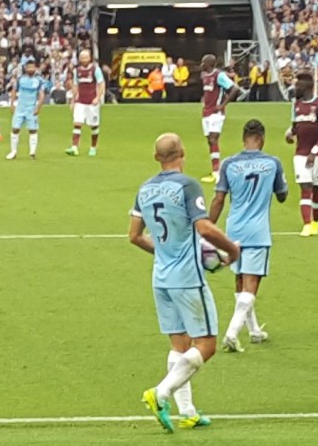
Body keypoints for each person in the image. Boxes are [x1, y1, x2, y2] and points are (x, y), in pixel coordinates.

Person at [129, 133, 241, 433]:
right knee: (206, 344)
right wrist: (232, 249)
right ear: (183, 153)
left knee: (179, 345)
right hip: (187, 278)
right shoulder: (187, 185)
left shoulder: (145, 189)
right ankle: (161, 393)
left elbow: (134, 236)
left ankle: (187, 412)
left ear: (156, 158)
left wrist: (164, 251)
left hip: (161, 278)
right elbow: (204, 227)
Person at [209, 120, 288, 353]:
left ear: (244, 139)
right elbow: (282, 195)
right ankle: (232, 333)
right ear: (262, 138)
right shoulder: (273, 163)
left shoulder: (229, 164)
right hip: (257, 231)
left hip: (233, 230)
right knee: (251, 286)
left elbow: (219, 199)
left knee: (240, 281)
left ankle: (253, 330)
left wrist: (207, 228)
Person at [285, 72, 318, 237]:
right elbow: (295, 126)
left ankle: (316, 223)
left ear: (307, 87)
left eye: (298, 85)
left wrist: (314, 151)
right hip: (300, 154)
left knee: (317, 189)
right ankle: (307, 224)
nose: (295, 88)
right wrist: (290, 134)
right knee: (305, 187)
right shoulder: (296, 105)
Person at [200, 54, 241, 183]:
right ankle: (215, 168)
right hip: (206, 112)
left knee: (213, 139)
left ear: (209, 64)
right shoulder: (205, 76)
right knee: (210, 141)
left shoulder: (219, 75)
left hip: (216, 113)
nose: (201, 64)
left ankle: (217, 171)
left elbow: (234, 89)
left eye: (203, 62)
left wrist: (223, 105)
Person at [66, 49, 105, 157]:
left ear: (90, 58)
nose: (83, 60)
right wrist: (73, 100)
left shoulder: (95, 70)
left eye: (85, 57)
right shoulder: (76, 71)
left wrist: (98, 98)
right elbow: (75, 85)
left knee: (94, 126)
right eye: (82, 58)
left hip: (92, 102)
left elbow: (101, 83)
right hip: (80, 102)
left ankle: (93, 147)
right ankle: (74, 147)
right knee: (77, 123)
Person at [6, 60, 45, 161]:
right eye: (29, 67)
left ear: (35, 68)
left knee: (32, 130)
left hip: (31, 108)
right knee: (15, 128)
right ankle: (13, 151)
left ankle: (32, 153)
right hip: (20, 108)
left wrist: (38, 107)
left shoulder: (39, 80)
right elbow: (14, 91)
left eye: (33, 67)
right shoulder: (20, 79)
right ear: (25, 68)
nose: (31, 69)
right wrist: (12, 104)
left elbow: (41, 94)